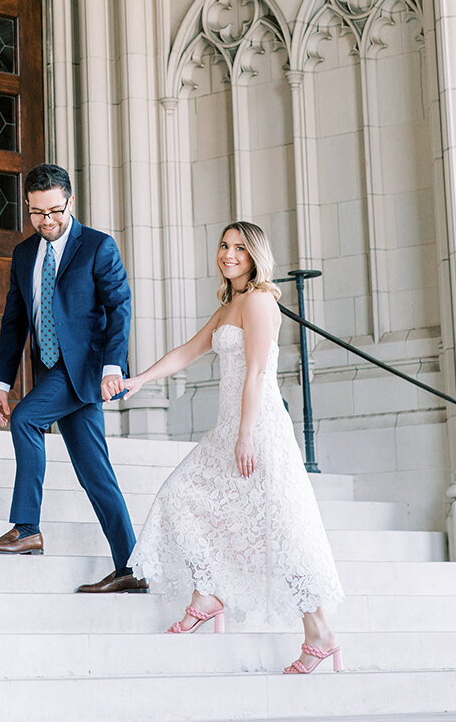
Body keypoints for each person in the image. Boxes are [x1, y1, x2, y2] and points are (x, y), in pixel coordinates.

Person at [115, 221, 344, 673]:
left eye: (239, 247)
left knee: (283, 531)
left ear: (255, 254)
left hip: (256, 430)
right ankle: (209, 592)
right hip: (228, 429)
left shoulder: (259, 301)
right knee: (179, 496)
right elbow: (189, 350)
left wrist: (245, 435)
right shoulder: (230, 304)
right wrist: (139, 379)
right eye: (224, 245)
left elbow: (257, 373)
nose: (229, 253)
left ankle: (319, 634)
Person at [0, 163, 148, 595]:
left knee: (26, 420)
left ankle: (26, 528)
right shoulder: (23, 255)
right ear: (28, 207)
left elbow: (119, 309)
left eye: (55, 210)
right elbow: (13, 323)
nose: (47, 221)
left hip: (88, 370)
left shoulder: (98, 246)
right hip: (51, 368)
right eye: (38, 213)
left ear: (69, 202)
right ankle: (131, 567)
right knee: (96, 473)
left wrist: (114, 366)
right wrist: (1, 382)